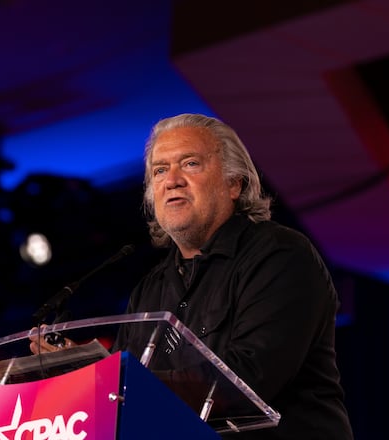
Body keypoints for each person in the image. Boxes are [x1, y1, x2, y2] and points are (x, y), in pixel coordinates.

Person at [30, 113, 354, 439]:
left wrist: (114, 382)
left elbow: (248, 378)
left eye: (190, 164)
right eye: (159, 170)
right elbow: (121, 407)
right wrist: (86, 376)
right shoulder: (150, 290)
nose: (172, 180)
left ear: (234, 183)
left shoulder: (279, 254)